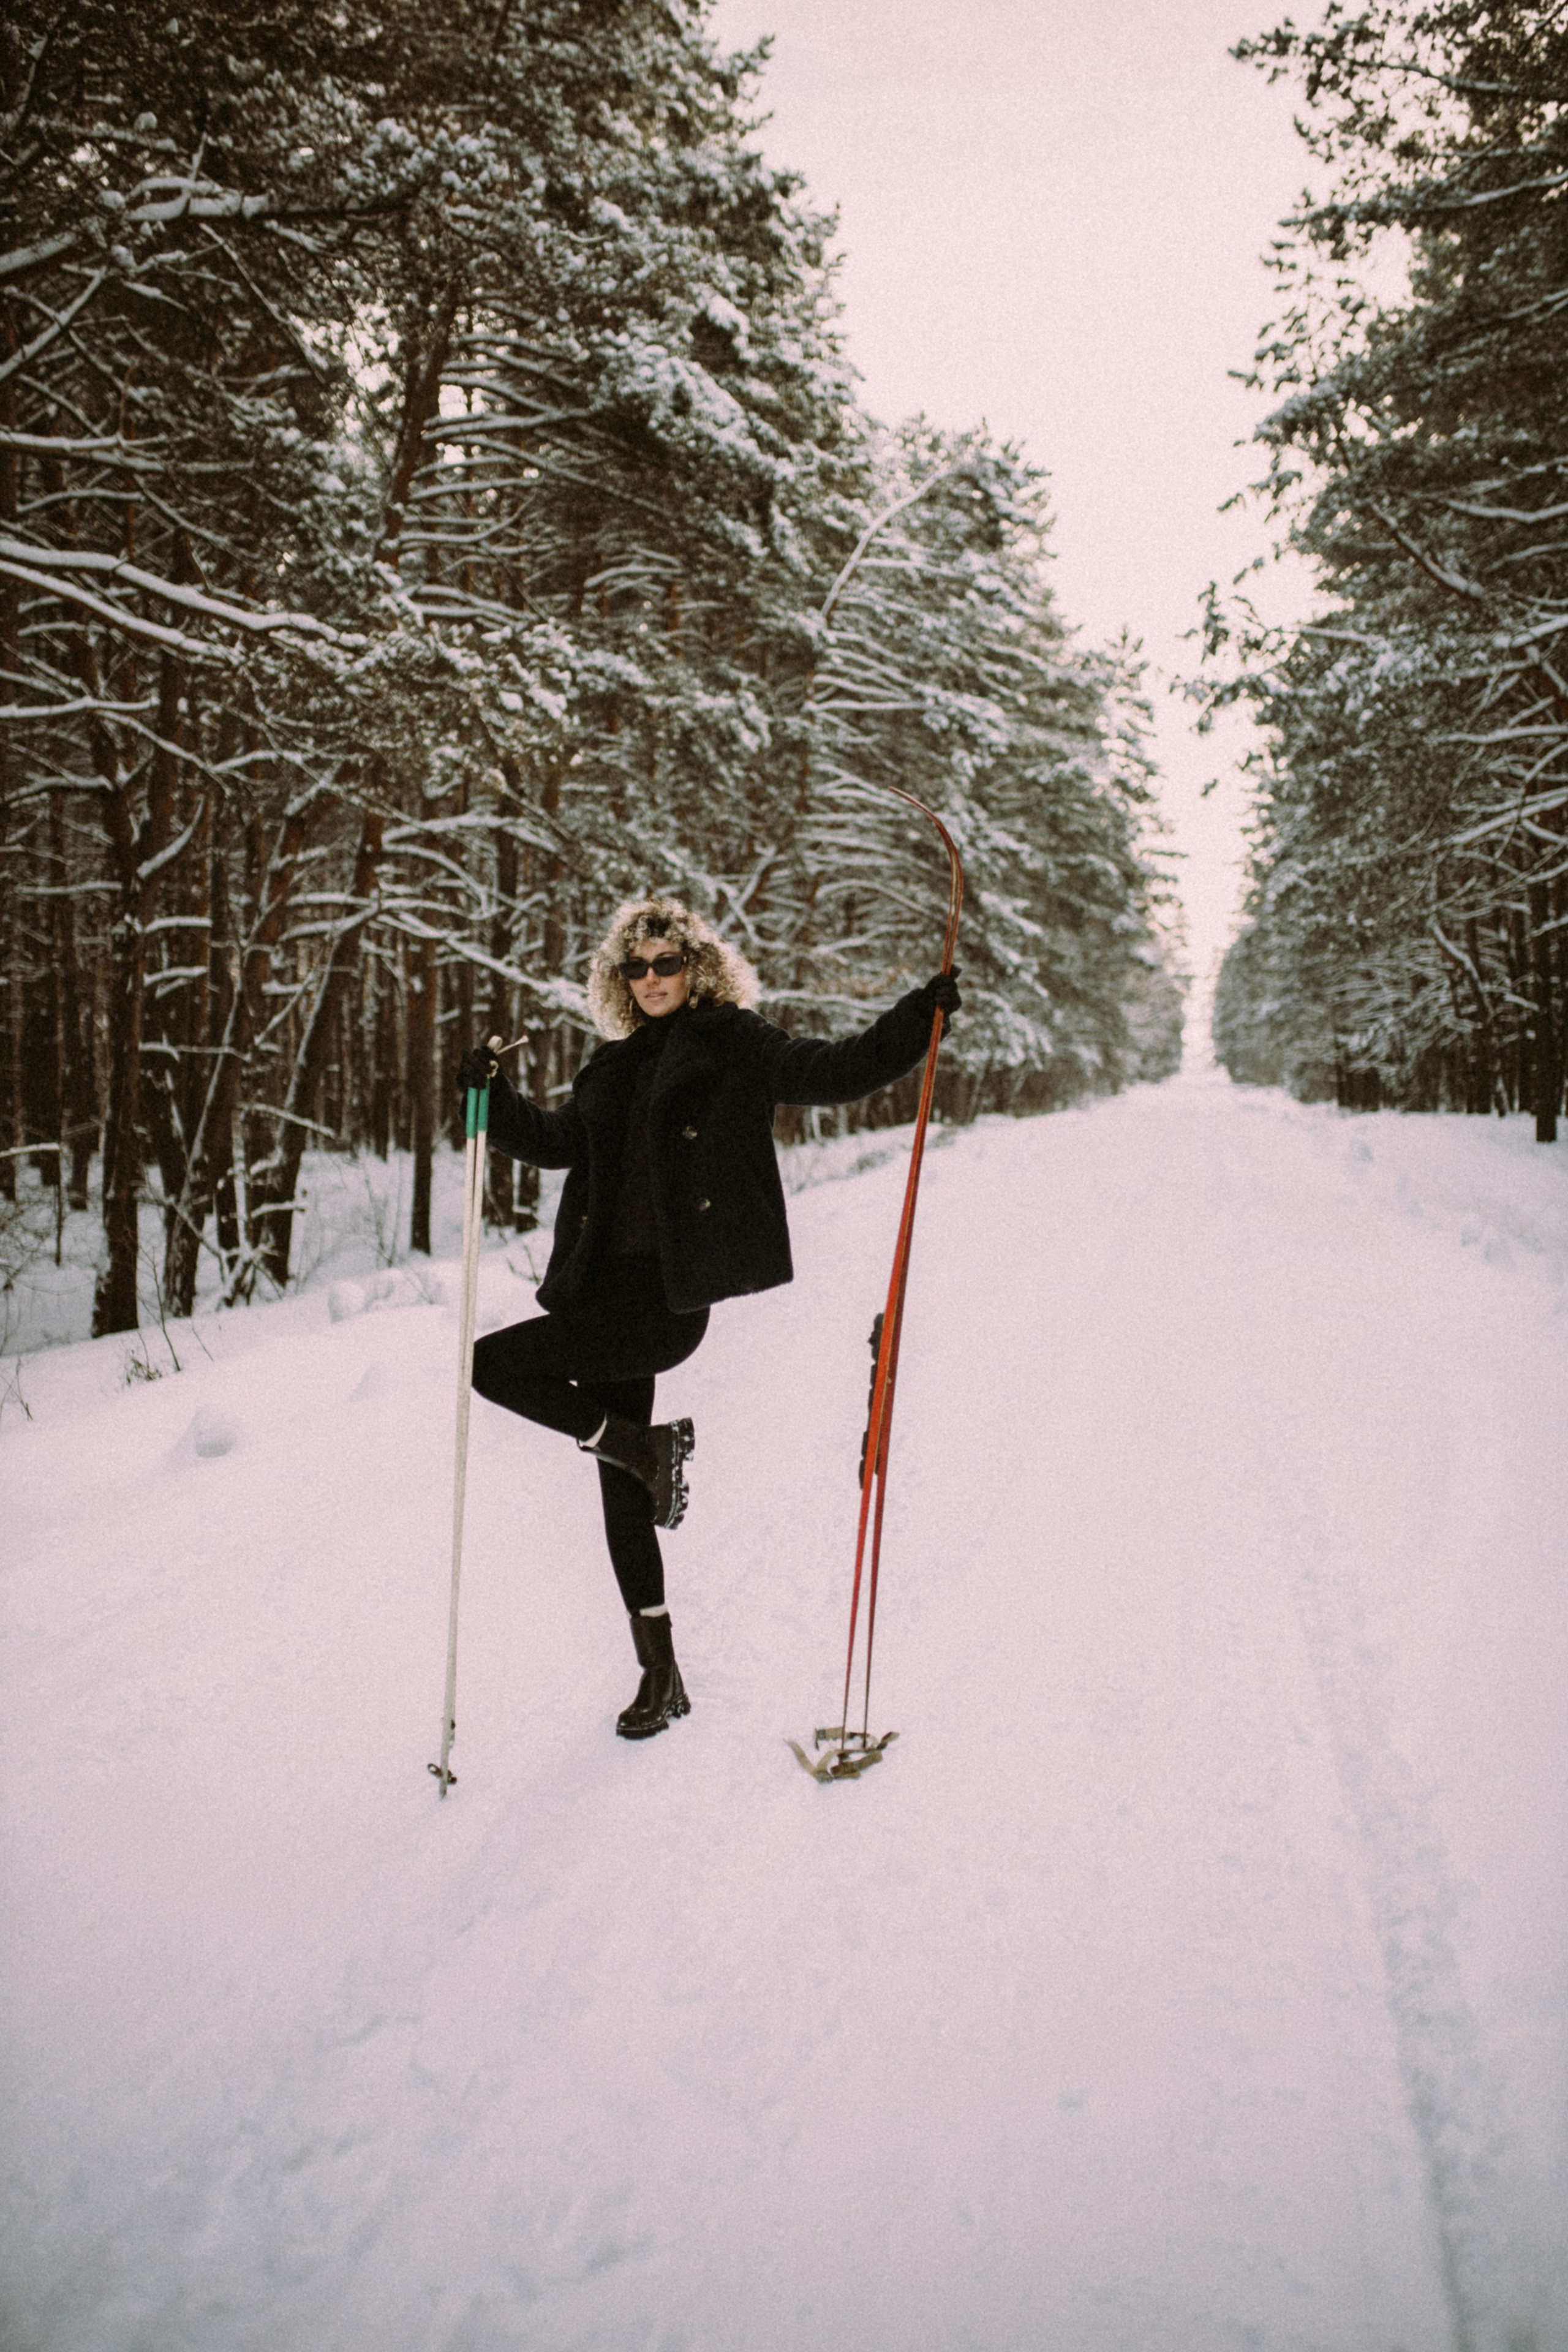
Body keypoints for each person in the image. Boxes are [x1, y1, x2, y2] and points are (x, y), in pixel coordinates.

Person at [458, 895, 960, 1742]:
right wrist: (490, 1096)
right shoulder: (611, 1066)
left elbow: (833, 1071)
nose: (652, 979)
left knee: (492, 1364)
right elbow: (554, 1144)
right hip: (598, 1292)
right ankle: (662, 1675)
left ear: (697, 967)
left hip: (663, 1302)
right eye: (637, 967)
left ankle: (644, 1448)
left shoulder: (734, 1042)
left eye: (667, 963)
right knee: (619, 1495)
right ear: (622, 979)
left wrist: (918, 1019)